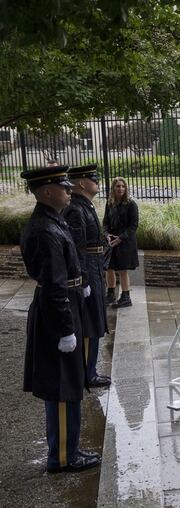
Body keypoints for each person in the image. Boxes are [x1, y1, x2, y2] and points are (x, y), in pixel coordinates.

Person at [20, 165, 100, 473]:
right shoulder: (44, 229)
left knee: (68, 383)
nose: (70, 191)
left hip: (66, 305)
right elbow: (54, 284)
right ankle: (65, 457)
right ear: (47, 192)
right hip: (58, 312)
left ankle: (69, 448)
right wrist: (66, 330)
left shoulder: (54, 221)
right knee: (64, 387)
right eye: (64, 188)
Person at [64, 164, 111, 388]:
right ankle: (86, 374)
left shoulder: (85, 205)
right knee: (90, 322)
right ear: (82, 183)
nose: (97, 182)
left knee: (96, 321)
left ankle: (89, 370)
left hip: (94, 267)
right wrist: (82, 279)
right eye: (94, 178)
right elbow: (77, 248)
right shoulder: (76, 208)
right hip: (88, 271)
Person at [104, 176, 139, 308]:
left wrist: (121, 238)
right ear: (113, 188)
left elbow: (134, 225)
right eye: (118, 186)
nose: (120, 189)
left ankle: (125, 297)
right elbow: (105, 223)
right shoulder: (110, 204)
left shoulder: (131, 204)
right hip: (111, 241)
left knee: (122, 270)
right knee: (109, 268)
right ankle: (110, 294)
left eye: (123, 186)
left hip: (125, 241)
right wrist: (107, 235)